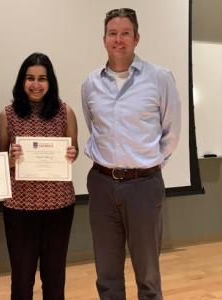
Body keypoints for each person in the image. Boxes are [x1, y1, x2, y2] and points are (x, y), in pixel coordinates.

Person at [81, 8, 181, 300]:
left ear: (136, 38)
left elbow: (171, 132)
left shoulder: (160, 78)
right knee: (107, 272)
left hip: (144, 186)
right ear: (104, 39)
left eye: (125, 33)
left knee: (148, 273)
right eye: (113, 33)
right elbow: (94, 127)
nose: (119, 40)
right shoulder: (90, 84)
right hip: (101, 185)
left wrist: (147, 165)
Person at [0, 52, 78, 300]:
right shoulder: (8, 114)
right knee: (22, 279)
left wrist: (71, 153)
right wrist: (9, 160)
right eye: (30, 78)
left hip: (59, 207)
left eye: (42, 78)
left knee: (55, 277)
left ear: (50, 81)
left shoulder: (65, 112)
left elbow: (73, 151)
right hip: (19, 209)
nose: (35, 84)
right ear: (22, 81)